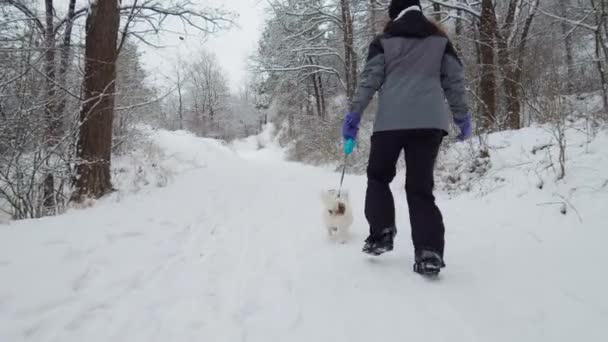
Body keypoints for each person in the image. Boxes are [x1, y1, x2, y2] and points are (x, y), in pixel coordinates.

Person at [341, 0, 472, 275]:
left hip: (390, 123)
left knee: (378, 177)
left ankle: (381, 233)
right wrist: (462, 117)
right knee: (420, 188)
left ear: (394, 14)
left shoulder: (384, 41)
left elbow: (369, 80)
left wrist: (354, 115)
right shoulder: (440, 40)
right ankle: (429, 252)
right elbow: (455, 82)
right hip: (430, 124)